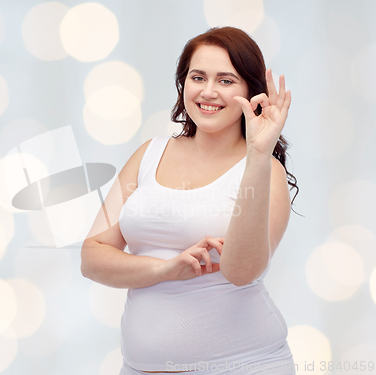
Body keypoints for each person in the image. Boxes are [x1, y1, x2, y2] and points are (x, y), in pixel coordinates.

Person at [81, 26, 299, 375]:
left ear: (250, 91)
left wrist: (258, 154)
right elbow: (92, 256)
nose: (209, 91)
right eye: (198, 77)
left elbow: (243, 272)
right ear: (184, 84)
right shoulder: (148, 155)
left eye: (226, 81)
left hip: (243, 366)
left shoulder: (264, 170)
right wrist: (165, 269)